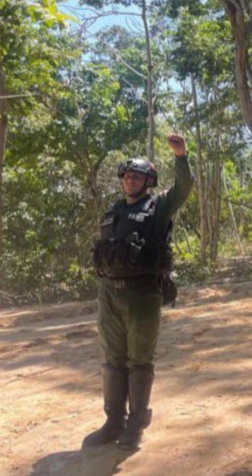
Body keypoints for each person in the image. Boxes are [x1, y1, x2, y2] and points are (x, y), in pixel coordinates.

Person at [84, 133, 192, 450]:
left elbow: (184, 188)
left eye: (137, 175)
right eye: (127, 175)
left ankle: (135, 424)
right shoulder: (112, 211)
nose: (130, 179)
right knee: (113, 360)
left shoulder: (158, 207)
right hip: (108, 294)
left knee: (139, 361)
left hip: (142, 293)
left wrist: (181, 156)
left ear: (149, 180)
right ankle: (113, 421)